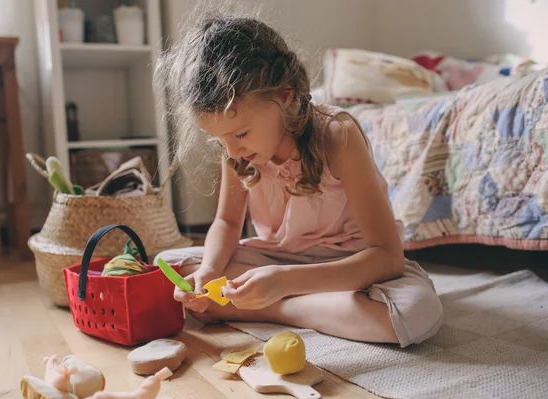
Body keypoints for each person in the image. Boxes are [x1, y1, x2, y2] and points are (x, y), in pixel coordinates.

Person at [154, 14, 443, 348]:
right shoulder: (235, 148)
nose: (231, 150)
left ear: (286, 94)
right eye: (220, 140)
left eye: (241, 133)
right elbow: (226, 222)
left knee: (413, 313)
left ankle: (277, 309)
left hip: (350, 266)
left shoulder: (337, 135)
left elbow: (388, 257)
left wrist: (283, 283)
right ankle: (285, 304)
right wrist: (207, 273)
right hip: (280, 258)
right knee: (171, 268)